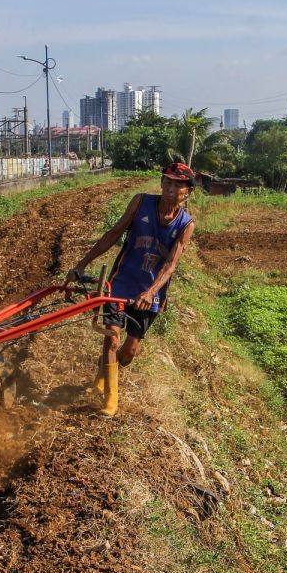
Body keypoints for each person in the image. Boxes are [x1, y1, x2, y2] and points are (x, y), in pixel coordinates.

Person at [66, 162, 197, 416]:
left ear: (188, 192)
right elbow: (113, 234)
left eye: (177, 186)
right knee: (112, 338)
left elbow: (170, 264)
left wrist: (150, 292)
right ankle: (110, 400)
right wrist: (82, 264)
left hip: (150, 292)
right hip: (121, 282)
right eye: (167, 183)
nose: (170, 189)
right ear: (161, 184)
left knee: (129, 351)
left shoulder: (186, 224)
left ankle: (105, 372)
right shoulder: (141, 203)